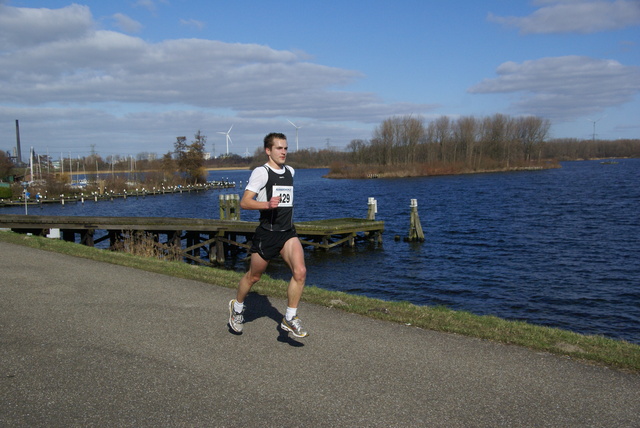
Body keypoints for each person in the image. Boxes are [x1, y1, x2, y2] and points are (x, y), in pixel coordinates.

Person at [228, 132, 308, 338]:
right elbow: (244, 202)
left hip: (288, 232)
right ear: (268, 150)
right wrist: (266, 204)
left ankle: (290, 318)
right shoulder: (261, 172)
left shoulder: (290, 171)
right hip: (267, 233)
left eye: (286, 148)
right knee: (254, 276)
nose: (284, 152)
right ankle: (237, 309)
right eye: (279, 148)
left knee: (300, 272)